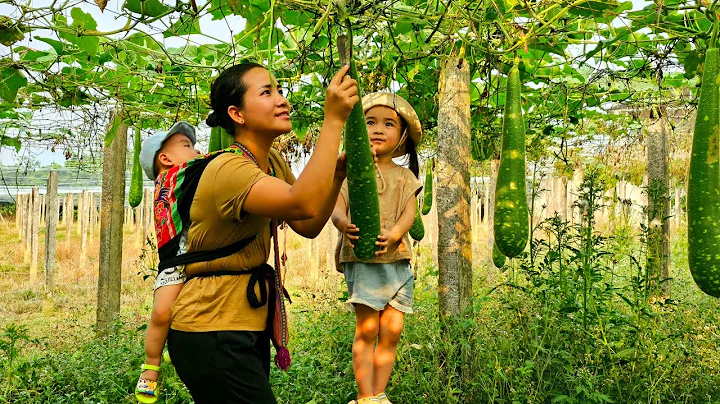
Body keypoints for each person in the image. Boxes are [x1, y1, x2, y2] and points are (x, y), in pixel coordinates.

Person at [165, 62, 359, 404]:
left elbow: (308, 225)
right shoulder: (229, 169)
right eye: (267, 92)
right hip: (210, 328)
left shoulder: (269, 160)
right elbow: (301, 205)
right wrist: (333, 121)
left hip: (243, 325)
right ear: (237, 114)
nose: (282, 100)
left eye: (280, 91)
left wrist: (337, 176)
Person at [331, 92, 423, 404]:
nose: (378, 129)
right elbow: (337, 208)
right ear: (357, 131)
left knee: (392, 331)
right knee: (367, 330)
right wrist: (343, 224)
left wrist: (396, 233)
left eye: (388, 124)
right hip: (364, 262)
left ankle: (378, 393)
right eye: (370, 122)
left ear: (402, 138)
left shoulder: (405, 176)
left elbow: (409, 214)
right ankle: (364, 396)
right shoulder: (351, 174)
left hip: (397, 262)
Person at [134, 122, 202, 404]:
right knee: (161, 314)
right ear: (165, 159)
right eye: (187, 146)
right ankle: (151, 367)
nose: (197, 150)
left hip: (198, 260)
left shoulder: (185, 174)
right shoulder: (176, 176)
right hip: (176, 262)